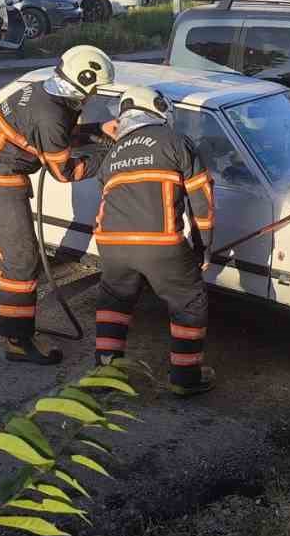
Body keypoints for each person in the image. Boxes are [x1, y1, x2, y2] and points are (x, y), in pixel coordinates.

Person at [0, 45, 114, 365]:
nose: (95, 97)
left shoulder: (47, 92)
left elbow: (59, 134)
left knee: (11, 243)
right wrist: (108, 157)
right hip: (0, 178)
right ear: (82, 82)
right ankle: (17, 339)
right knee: (23, 260)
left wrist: (99, 131)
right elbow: (63, 171)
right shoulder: (50, 114)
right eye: (95, 90)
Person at [91, 83, 216, 396]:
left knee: (114, 301)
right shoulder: (175, 141)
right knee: (188, 300)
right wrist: (203, 246)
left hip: (111, 242)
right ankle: (186, 377)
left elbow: (110, 197)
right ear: (159, 110)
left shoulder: (113, 153)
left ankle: (105, 372)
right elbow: (201, 198)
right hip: (160, 242)